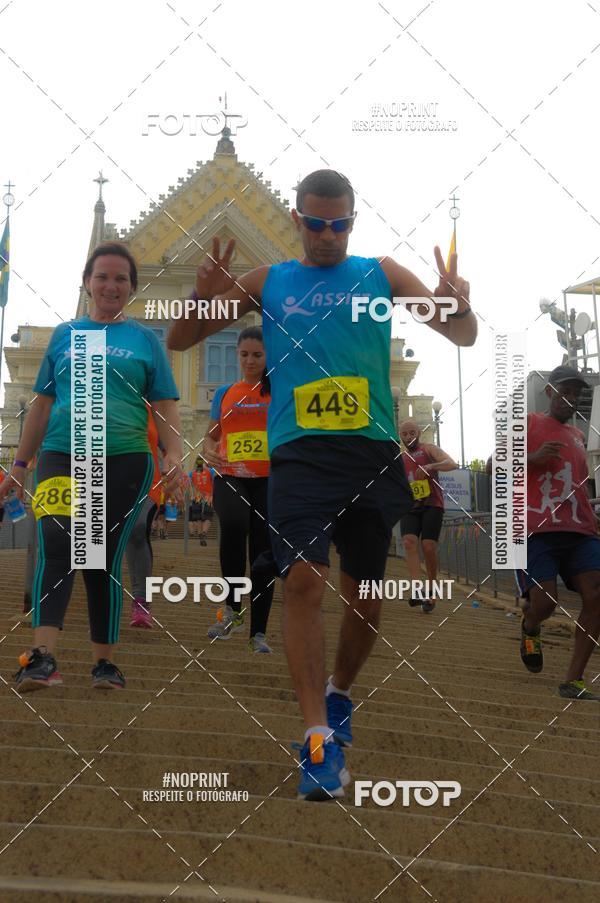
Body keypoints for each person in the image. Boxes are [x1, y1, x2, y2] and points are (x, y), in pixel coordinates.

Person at [168, 169, 476, 800]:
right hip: (299, 456)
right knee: (302, 581)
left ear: (352, 223)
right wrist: (202, 300)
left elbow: (461, 334)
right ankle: (317, 742)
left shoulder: (381, 274)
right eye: (315, 223)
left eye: (339, 224)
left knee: (364, 599)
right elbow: (179, 339)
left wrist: (457, 303)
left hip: (369, 454)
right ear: (297, 219)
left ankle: (339, 692)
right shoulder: (270, 281)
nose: (327, 235)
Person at [1, 241, 183, 692]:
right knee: (57, 543)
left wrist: (173, 452)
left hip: (124, 458)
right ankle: (43, 657)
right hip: (62, 453)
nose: (110, 285)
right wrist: (20, 465)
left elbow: (163, 405)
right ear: (87, 283)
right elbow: (42, 405)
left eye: (121, 278)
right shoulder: (66, 335)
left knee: (100, 557)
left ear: (132, 289)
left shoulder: (144, 340)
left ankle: (105, 662)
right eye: (102, 276)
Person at [517, 365, 600, 700]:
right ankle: (530, 624)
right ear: (549, 392)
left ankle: (573, 680)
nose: (571, 398)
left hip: (580, 529)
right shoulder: (529, 423)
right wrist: (533, 457)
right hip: (538, 530)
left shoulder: (579, 436)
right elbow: (496, 467)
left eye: (577, 393)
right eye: (565, 391)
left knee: (596, 595)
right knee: (546, 602)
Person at [202, 327, 274, 654]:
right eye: (244, 354)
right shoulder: (225, 393)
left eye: (257, 355)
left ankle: (258, 630)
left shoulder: (280, 391)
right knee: (233, 524)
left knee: (262, 552)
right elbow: (212, 434)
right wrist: (207, 448)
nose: (250, 361)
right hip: (230, 472)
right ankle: (233, 611)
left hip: (269, 478)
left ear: (268, 355)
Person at [399, 419, 458, 613]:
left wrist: (430, 467)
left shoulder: (428, 449)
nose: (409, 437)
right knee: (408, 542)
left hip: (433, 504)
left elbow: (452, 463)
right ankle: (417, 588)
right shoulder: (400, 458)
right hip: (410, 505)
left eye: (412, 432)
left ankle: (432, 590)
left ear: (419, 433)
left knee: (428, 546)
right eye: (405, 434)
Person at [125, 412, 163, 629]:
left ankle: (141, 601)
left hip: (147, 480)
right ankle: (101, 604)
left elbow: (170, 439)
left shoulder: (153, 403)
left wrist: (174, 457)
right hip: (103, 477)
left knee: (137, 528)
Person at [189, 457, 214, 545]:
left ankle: (200, 534)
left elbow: (188, 484)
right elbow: (216, 479)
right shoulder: (211, 471)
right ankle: (203, 533)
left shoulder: (192, 473)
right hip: (208, 497)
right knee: (208, 516)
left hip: (196, 497)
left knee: (198, 517)